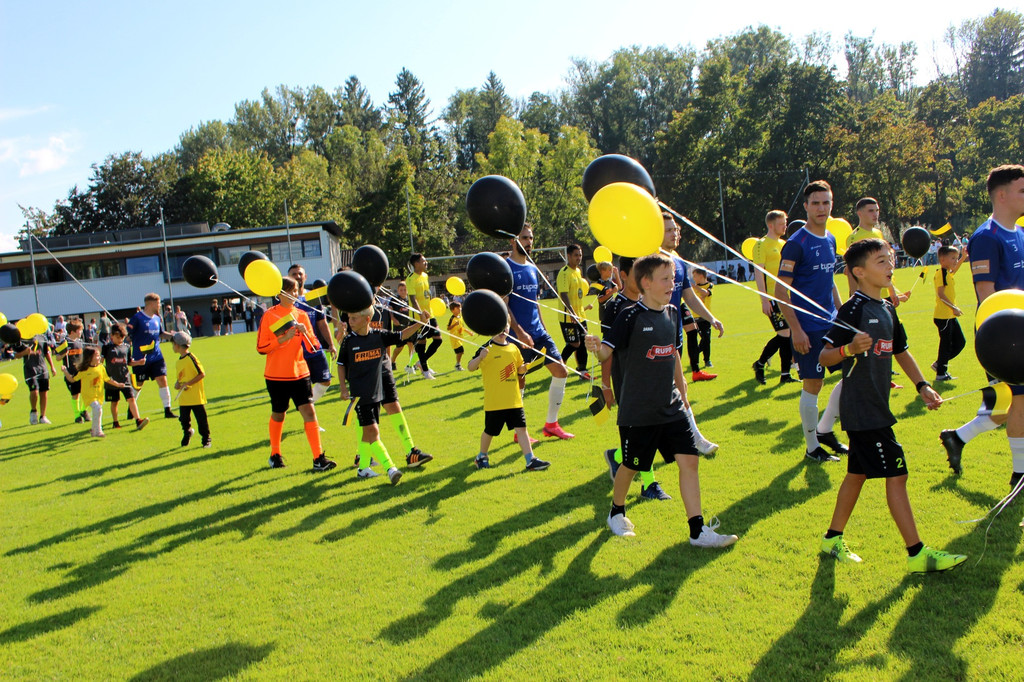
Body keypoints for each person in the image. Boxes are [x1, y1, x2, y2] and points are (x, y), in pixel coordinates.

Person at [818, 238, 967, 572]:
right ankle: (917, 554)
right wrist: (849, 350)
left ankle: (831, 539)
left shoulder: (886, 307)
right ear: (859, 272)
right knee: (897, 475)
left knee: (856, 474)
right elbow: (825, 356)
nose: (890, 266)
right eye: (881, 262)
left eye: (890, 260)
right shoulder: (852, 310)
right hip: (863, 411)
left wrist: (922, 385)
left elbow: (900, 351)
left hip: (876, 408)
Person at [585, 253, 737, 546]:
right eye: (665, 279)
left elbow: (674, 352)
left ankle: (697, 531)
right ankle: (616, 512)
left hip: (672, 405)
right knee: (630, 465)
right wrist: (595, 347)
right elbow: (606, 352)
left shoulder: (673, 312)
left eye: (673, 278)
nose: (673, 284)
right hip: (638, 411)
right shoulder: (628, 316)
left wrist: (682, 388)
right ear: (646, 283)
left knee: (689, 461)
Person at [940, 164, 1024, 484]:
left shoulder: (1020, 232)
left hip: (1020, 328)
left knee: (1004, 407)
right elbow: (987, 297)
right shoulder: (985, 238)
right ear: (1001, 195)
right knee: (1019, 401)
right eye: (1022, 190)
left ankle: (957, 438)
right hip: (1003, 335)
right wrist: (1003, 343)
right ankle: (1020, 475)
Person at [775, 180, 848, 464]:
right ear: (805, 207)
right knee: (813, 384)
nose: (821, 208)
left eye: (826, 202)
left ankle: (825, 429)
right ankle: (812, 446)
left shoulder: (830, 239)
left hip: (831, 323)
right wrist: (796, 330)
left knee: (853, 372)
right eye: (815, 203)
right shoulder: (796, 244)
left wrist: (843, 313)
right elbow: (782, 291)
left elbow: (830, 282)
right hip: (808, 327)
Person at [600, 256, 672, 501]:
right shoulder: (615, 308)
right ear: (623, 275)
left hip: (651, 380)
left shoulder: (650, 303)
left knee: (649, 432)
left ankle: (618, 456)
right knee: (643, 430)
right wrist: (606, 385)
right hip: (627, 380)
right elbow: (606, 351)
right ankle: (649, 484)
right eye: (636, 275)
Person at [337, 306, 425, 483]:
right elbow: (340, 364)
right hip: (360, 395)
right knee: (372, 430)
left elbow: (402, 335)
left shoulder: (379, 335)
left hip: (376, 391)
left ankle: (363, 468)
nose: (350, 321)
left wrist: (420, 322)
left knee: (367, 430)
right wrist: (343, 388)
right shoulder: (348, 341)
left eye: (354, 318)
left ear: (367, 319)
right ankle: (390, 468)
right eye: (349, 318)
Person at [257, 276, 334, 472]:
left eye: (296, 290)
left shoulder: (301, 315)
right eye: (290, 290)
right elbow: (261, 347)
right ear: (279, 293)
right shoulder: (269, 316)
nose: (295, 294)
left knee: (309, 412)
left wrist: (305, 333)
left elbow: (314, 346)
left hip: (300, 373)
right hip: (276, 376)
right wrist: (283, 338)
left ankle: (318, 458)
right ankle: (275, 454)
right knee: (279, 414)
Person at [505, 224, 573, 440]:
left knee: (561, 371)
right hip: (517, 337)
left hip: (539, 333)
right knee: (519, 382)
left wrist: (542, 328)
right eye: (524, 238)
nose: (529, 242)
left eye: (531, 238)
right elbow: (504, 305)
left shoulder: (533, 268)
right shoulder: (505, 268)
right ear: (513, 241)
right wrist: (519, 331)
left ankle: (551, 424)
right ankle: (519, 433)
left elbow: (535, 303)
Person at [662, 214, 720, 454]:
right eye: (668, 230)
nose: (674, 234)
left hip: (674, 334)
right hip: (658, 336)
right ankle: (695, 439)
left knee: (670, 392)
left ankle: (629, 453)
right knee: (678, 388)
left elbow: (689, 296)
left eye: (675, 229)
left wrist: (711, 317)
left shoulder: (679, 261)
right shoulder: (652, 261)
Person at [467, 318, 550, 471]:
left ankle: (530, 460)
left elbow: (519, 369)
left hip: (514, 400)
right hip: (495, 402)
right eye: (499, 328)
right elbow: (470, 367)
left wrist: (527, 367)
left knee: (522, 428)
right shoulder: (487, 348)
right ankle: (481, 456)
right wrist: (480, 357)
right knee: (490, 431)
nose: (503, 331)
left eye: (505, 327)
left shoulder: (513, 348)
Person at [751, 210, 796, 385]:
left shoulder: (784, 243)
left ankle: (784, 374)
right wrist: (764, 299)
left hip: (787, 297)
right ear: (771, 225)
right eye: (782, 222)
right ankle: (761, 363)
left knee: (787, 334)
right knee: (784, 333)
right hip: (773, 297)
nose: (785, 225)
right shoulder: (761, 245)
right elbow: (758, 273)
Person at [288, 264, 336, 405]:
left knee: (326, 380)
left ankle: (307, 405)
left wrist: (331, 344)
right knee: (305, 385)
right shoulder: (286, 299)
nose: (297, 276)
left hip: (314, 347)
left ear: (305, 276)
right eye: (293, 274)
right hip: (297, 351)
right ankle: (310, 418)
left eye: (300, 273)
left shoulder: (312, 297)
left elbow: (322, 322)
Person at [127, 293, 177, 419]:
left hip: (156, 356)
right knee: (138, 385)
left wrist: (174, 337)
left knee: (162, 380)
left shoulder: (156, 318)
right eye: (158, 303)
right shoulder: (137, 318)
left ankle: (167, 410)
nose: (160, 306)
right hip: (140, 359)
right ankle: (131, 409)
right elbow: (127, 334)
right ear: (151, 303)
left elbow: (161, 334)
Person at [62, 347, 129, 438]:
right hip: (89, 396)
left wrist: (118, 385)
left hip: (99, 395)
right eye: (97, 355)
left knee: (98, 411)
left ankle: (94, 431)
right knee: (98, 409)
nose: (99, 357)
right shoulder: (84, 370)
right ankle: (99, 431)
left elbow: (107, 379)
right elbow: (72, 379)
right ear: (90, 358)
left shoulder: (101, 367)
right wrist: (65, 371)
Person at [932, 244, 969, 382]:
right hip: (943, 316)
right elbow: (941, 294)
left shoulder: (947, 273)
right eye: (953, 258)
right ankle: (941, 372)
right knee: (946, 344)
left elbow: (954, 270)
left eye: (956, 257)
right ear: (942, 259)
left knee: (960, 342)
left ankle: (939, 365)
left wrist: (964, 257)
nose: (955, 260)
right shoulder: (941, 273)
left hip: (949, 316)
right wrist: (954, 307)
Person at [102, 324, 149, 430]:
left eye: (122, 338)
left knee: (131, 399)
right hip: (112, 381)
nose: (120, 340)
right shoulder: (107, 348)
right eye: (118, 337)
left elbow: (129, 362)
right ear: (111, 336)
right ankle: (115, 422)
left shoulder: (127, 347)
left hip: (125, 379)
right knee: (114, 402)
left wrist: (139, 362)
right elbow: (100, 363)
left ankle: (138, 420)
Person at [556, 244, 590, 379]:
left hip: (581, 315)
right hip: (568, 317)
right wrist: (571, 313)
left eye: (580, 255)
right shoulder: (564, 273)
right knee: (574, 343)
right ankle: (559, 364)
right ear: (568, 256)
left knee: (583, 342)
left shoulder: (578, 271)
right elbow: (563, 294)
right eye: (576, 255)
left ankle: (583, 371)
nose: (579, 258)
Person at [406, 253, 442, 379]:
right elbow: (412, 299)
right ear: (416, 263)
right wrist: (420, 313)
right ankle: (425, 370)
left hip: (429, 313)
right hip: (419, 317)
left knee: (438, 339)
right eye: (423, 261)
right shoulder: (410, 279)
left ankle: (420, 363)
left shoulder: (425, 276)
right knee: (422, 342)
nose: (426, 263)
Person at [172, 331, 211, 448]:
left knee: (201, 420)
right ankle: (187, 432)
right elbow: (181, 377)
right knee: (184, 419)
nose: (173, 347)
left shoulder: (191, 358)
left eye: (173, 344)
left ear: (178, 345)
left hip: (195, 397)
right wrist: (178, 384)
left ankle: (206, 440)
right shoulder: (179, 361)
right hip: (184, 398)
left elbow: (201, 374)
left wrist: (188, 384)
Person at [14, 329, 56, 425]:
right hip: (30, 369)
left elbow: (46, 352)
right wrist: (25, 352)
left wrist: (52, 367)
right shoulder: (22, 338)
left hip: (42, 368)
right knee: (34, 392)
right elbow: (16, 355)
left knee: (44, 392)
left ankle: (43, 416)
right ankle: (33, 412)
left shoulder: (42, 337)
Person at [56, 319, 86, 422]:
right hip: (71, 373)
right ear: (73, 332)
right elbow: (57, 358)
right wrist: (64, 353)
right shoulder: (65, 342)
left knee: (86, 392)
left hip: (82, 372)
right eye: (79, 330)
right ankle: (77, 415)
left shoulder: (80, 342)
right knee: (75, 394)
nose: (81, 332)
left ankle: (83, 410)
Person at [689, 267, 714, 370]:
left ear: (700, 276)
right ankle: (703, 358)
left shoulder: (710, 285)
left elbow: (705, 293)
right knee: (705, 338)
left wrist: (695, 287)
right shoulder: (692, 289)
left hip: (706, 316)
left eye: (694, 276)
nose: (693, 278)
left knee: (706, 338)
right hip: (696, 317)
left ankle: (705, 358)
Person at [389, 281, 416, 369]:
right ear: (398, 290)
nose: (403, 292)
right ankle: (392, 361)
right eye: (401, 290)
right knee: (400, 347)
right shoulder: (394, 299)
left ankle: (412, 364)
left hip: (408, 326)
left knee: (411, 344)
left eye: (405, 290)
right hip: (399, 327)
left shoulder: (409, 300)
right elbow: (390, 310)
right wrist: (393, 319)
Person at [447, 301, 468, 371]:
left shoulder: (460, 317)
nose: (460, 309)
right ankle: (458, 365)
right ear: (453, 310)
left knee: (460, 351)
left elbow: (462, 327)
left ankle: (458, 364)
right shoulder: (452, 318)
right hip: (454, 338)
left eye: (460, 308)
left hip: (460, 337)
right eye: (458, 308)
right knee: (461, 351)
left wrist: (469, 332)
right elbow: (448, 328)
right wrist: (454, 325)